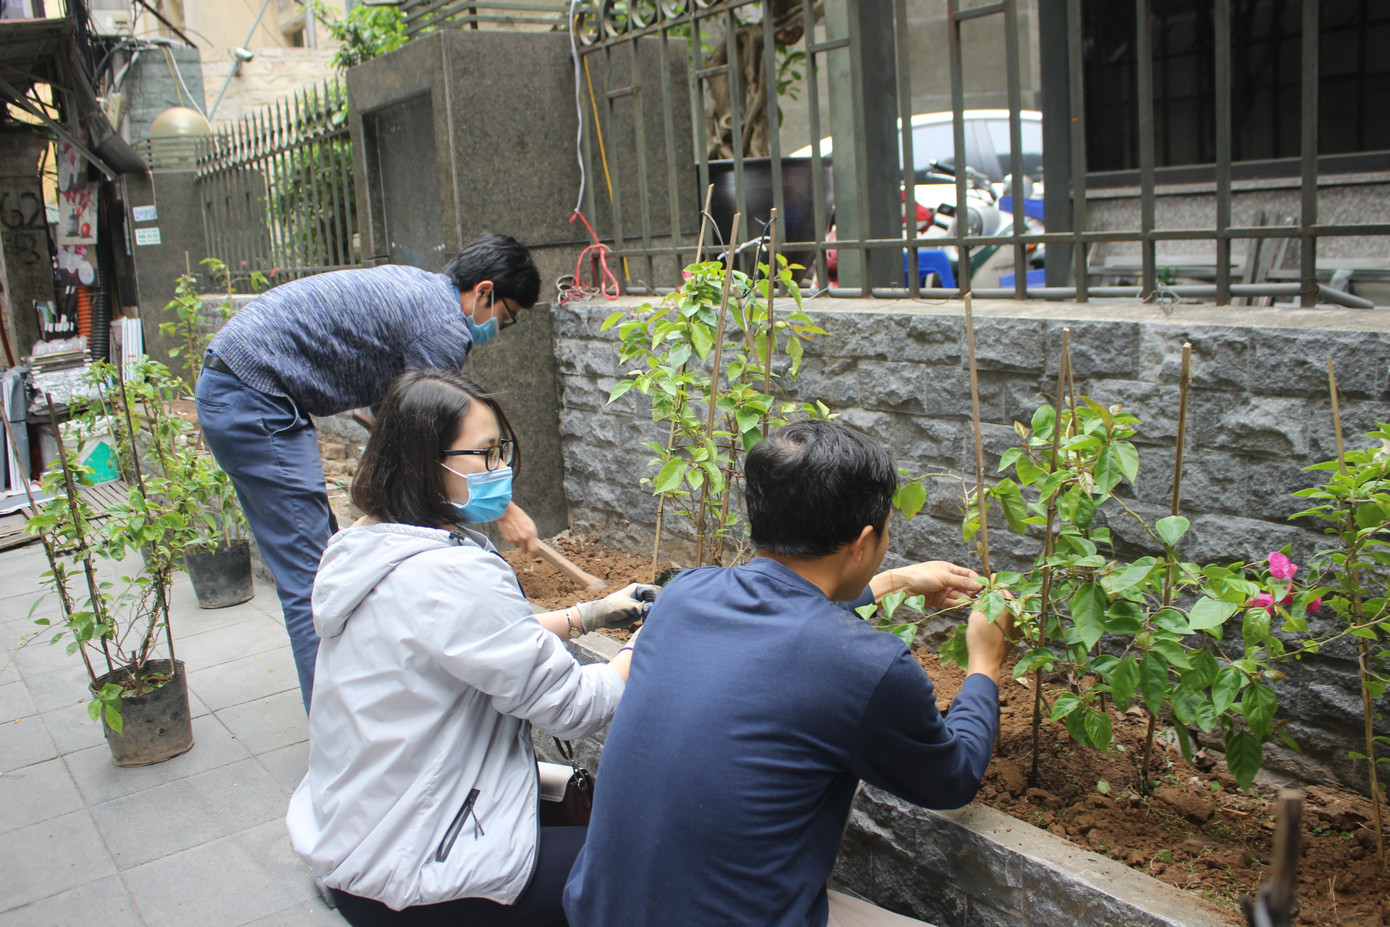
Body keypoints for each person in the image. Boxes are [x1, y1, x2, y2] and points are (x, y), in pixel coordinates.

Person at [563, 420, 1014, 927]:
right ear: (864, 541)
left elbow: (783, 613)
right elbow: (951, 779)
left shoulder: (682, 595)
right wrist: (984, 663)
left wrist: (893, 582)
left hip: (596, 910)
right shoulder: (871, 667)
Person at [286, 368, 657, 926]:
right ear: (424, 464)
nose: (501, 468)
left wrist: (587, 616)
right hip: (417, 873)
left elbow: (466, 643)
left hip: (355, 841)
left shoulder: (367, 545)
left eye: (502, 449)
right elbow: (576, 706)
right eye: (485, 454)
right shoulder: (453, 575)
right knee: (649, 864)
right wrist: (643, 650)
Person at [196, 234, 542, 712]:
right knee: (311, 577)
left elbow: (397, 420)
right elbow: (441, 435)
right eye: (505, 317)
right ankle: (343, 737)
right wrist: (503, 508)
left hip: (246, 384)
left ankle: (355, 701)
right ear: (484, 292)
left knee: (327, 562)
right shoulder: (442, 327)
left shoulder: (422, 294)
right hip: (253, 392)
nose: (497, 329)